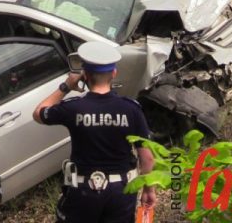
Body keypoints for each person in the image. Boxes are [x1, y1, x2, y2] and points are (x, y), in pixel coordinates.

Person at [33, 41, 156, 223]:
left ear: (85, 75)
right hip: (121, 192)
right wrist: (148, 189)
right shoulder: (131, 109)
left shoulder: (73, 108)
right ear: (114, 73)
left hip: (83, 192)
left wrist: (66, 86)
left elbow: (38, 113)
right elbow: (147, 158)